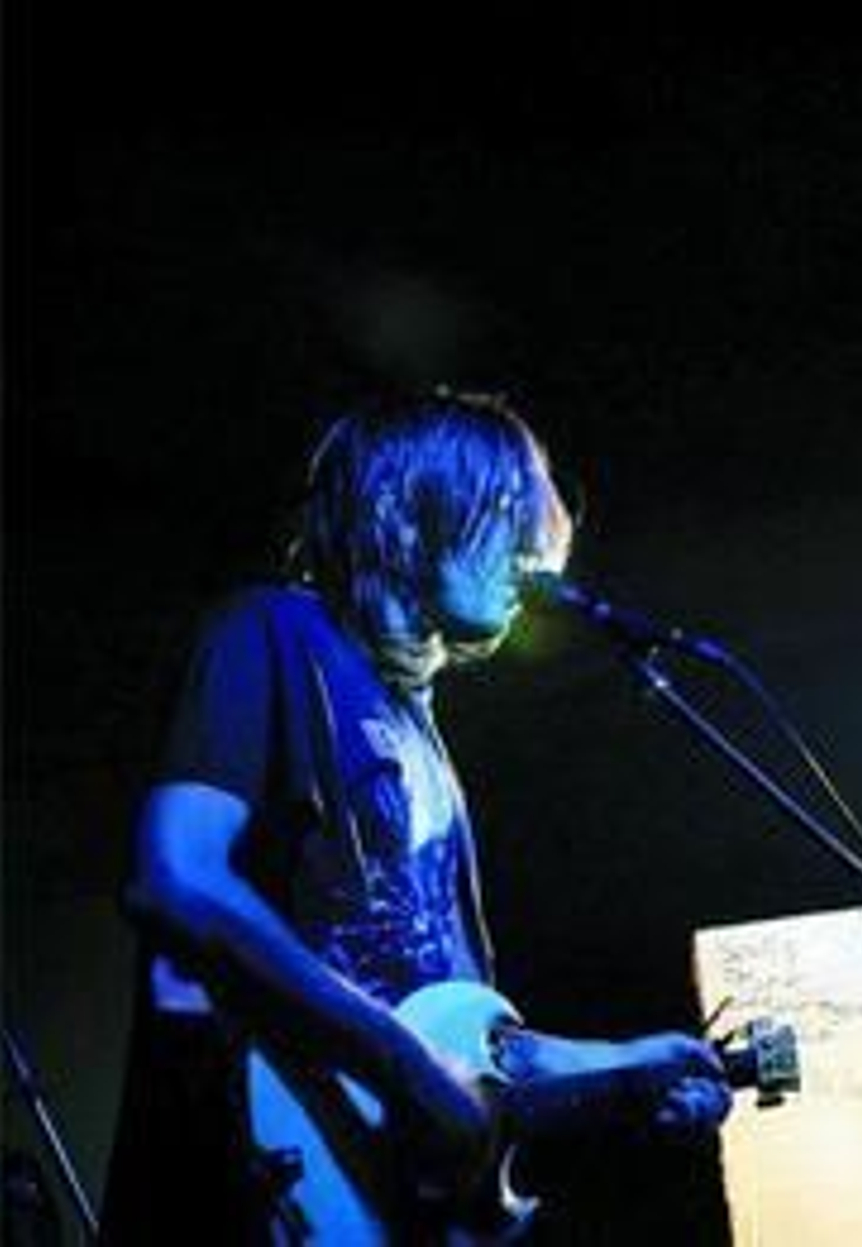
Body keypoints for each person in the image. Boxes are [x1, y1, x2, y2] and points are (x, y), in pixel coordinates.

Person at [99, 388, 732, 1243]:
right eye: (505, 505)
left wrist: (624, 1069)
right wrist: (407, 1069)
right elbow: (177, 878)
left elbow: (464, 1037)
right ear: (403, 504)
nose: (535, 547)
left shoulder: (420, 730)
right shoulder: (270, 632)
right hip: (242, 1176)